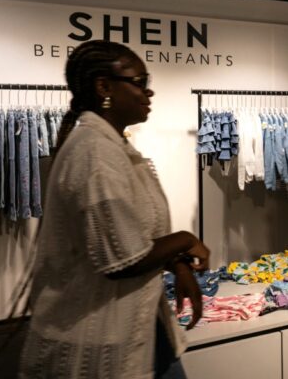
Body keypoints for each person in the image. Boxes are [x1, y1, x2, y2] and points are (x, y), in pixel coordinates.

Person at [19, 41, 210, 379]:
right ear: (104, 87)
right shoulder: (95, 153)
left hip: (140, 325)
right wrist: (185, 239)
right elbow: (122, 259)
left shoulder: (114, 147)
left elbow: (132, 236)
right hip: (98, 339)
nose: (148, 92)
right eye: (140, 82)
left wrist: (177, 263)